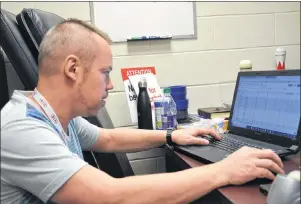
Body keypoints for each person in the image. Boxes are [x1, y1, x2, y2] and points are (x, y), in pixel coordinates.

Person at [1, 18, 285, 204]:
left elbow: (108, 139)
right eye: (105, 73)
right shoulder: (23, 129)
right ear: (73, 69)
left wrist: (171, 136)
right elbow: (112, 196)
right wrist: (225, 170)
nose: (111, 84)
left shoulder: (59, 118)